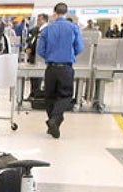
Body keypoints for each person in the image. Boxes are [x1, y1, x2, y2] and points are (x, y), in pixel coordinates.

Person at [37, 2, 83, 139]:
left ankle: (53, 123)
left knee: (50, 96)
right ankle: (55, 120)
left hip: (51, 68)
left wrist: (50, 56)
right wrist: (68, 54)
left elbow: (40, 50)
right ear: (66, 13)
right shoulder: (74, 28)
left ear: (54, 13)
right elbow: (79, 48)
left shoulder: (47, 29)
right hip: (66, 67)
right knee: (65, 96)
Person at [25, 13, 49, 99]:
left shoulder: (47, 30)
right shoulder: (35, 30)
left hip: (41, 58)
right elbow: (31, 40)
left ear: (45, 20)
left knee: (38, 77)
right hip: (32, 57)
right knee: (33, 78)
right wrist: (28, 48)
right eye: (37, 20)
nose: (38, 21)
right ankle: (33, 93)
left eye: (40, 20)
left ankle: (37, 94)